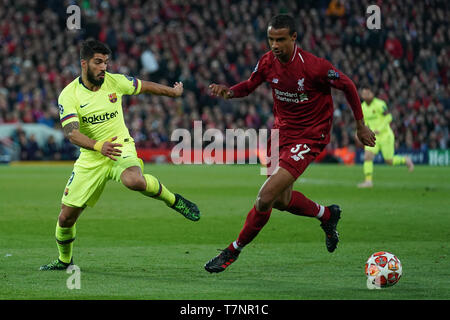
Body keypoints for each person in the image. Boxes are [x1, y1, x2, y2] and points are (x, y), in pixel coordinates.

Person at [204, 15, 376, 273]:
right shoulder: (267, 62)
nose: (274, 44)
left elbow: (348, 85)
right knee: (282, 201)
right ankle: (327, 215)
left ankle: (233, 250)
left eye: (280, 39)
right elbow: (250, 85)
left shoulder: (314, 67)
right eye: (271, 39)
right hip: (281, 134)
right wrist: (230, 91)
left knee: (265, 198)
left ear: (293, 38)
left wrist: (360, 124)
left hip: (309, 135)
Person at [40, 40, 200, 271]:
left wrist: (173, 92)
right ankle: (64, 260)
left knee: (133, 180)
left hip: (119, 147)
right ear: (84, 64)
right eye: (98, 62)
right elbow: (72, 133)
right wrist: (97, 146)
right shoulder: (69, 95)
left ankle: (174, 200)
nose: (103, 67)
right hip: (91, 156)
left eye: (106, 62)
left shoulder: (115, 81)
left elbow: (144, 86)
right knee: (66, 218)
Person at [357, 87, 414, 188]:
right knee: (367, 156)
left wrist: (379, 128)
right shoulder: (362, 107)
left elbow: (389, 117)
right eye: (364, 93)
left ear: (372, 93)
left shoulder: (380, 104)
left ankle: (405, 160)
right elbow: (363, 122)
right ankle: (368, 181)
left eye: (368, 93)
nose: (366, 95)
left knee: (389, 161)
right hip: (373, 137)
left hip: (385, 135)